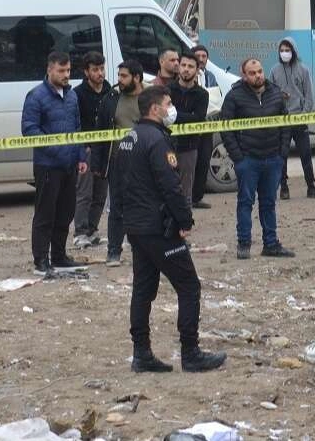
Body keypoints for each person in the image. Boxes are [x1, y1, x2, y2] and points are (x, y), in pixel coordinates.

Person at [110, 86, 226, 373]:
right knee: (189, 286)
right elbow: (171, 186)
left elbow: (118, 184)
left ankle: (141, 353)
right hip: (157, 228)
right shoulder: (157, 141)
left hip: (136, 226)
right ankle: (191, 352)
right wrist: (185, 220)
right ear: (154, 109)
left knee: (143, 289)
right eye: (168, 103)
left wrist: (123, 221)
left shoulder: (128, 139)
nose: (171, 109)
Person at [21, 51, 87, 275]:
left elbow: (77, 128)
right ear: (49, 70)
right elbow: (30, 130)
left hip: (69, 165)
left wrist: (80, 156)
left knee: (65, 213)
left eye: (68, 70)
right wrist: (57, 149)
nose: (66, 75)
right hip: (48, 166)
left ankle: (59, 256)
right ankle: (41, 259)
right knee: (45, 214)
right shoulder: (36, 96)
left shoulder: (72, 96)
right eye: (61, 70)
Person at [221, 59, 294, 260]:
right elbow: (226, 129)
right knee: (245, 202)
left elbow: (286, 124)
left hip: (273, 159)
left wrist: (282, 153)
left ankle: (271, 244)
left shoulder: (275, 93)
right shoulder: (234, 96)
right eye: (252, 73)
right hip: (248, 160)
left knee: (269, 203)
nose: (258, 76)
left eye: (260, 71)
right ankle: (244, 243)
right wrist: (239, 158)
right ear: (244, 75)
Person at [93, 60, 145, 266]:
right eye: (119, 76)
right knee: (117, 207)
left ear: (137, 78)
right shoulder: (111, 98)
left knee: (146, 205)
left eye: (124, 76)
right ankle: (113, 251)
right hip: (118, 162)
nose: (119, 80)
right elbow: (100, 131)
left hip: (145, 162)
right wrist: (98, 163)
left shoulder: (151, 97)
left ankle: (144, 249)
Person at [270, 38, 315, 200]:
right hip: (282, 121)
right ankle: (283, 187)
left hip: (299, 120)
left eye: (287, 50)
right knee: (282, 156)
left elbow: (309, 96)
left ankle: (311, 186)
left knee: (306, 154)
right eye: (282, 50)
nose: (284, 53)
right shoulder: (274, 70)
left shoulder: (303, 70)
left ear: (294, 51)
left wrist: (304, 114)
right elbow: (270, 95)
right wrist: (279, 100)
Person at [73, 52, 110, 248]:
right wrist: (82, 148)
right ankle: (80, 232)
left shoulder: (109, 90)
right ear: (86, 72)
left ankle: (92, 229)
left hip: (105, 149)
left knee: (100, 194)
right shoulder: (77, 94)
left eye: (102, 68)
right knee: (84, 193)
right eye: (95, 69)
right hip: (86, 149)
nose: (100, 73)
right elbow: (75, 123)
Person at [167, 53, 209, 203]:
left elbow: (198, 118)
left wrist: (175, 115)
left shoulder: (202, 94)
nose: (186, 69)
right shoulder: (168, 89)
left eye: (191, 66)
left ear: (197, 70)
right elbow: (164, 115)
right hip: (167, 146)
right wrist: (186, 116)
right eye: (183, 65)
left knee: (185, 191)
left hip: (189, 147)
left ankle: (184, 217)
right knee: (166, 185)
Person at [190, 46, 216, 209]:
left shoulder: (210, 76)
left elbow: (215, 95)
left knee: (203, 161)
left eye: (204, 56)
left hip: (206, 124)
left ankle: (197, 197)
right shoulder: (185, 76)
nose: (201, 59)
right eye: (198, 55)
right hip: (189, 125)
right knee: (188, 162)